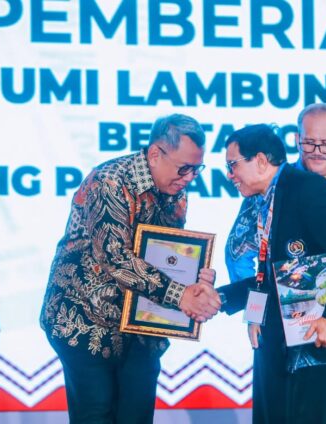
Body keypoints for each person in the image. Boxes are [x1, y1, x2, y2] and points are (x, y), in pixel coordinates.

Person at [40, 113, 221, 423]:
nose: (190, 177)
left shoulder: (175, 191)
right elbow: (114, 256)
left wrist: (196, 277)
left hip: (140, 327)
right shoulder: (110, 181)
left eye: (197, 169)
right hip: (85, 322)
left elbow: (168, 254)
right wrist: (180, 294)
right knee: (97, 415)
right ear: (155, 154)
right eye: (184, 168)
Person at [224, 103, 326, 423]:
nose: (316, 151)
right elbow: (245, 257)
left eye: (325, 144)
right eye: (309, 142)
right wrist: (256, 312)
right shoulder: (268, 187)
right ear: (297, 139)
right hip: (283, 330)